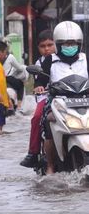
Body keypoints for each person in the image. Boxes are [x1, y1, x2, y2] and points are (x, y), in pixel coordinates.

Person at [35, 21, 87, 174]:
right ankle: (50, 165)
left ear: (80, 43)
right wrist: (39, 86)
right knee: (48, 121)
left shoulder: (85, 59)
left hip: (85, 101)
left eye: (73, 43)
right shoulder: (50, 60)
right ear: (58, 44)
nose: (69, 46)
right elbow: (41, 80)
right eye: (65, 43)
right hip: (58, 102)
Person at [20, 30, 55, 168]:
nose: (47, 49)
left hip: (67, 97)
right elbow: (39, 82)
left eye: (50, 45)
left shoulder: (66, 60)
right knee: (37, 117)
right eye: (43, 46)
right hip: (46, 98)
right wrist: (39, 87)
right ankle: (33, 152)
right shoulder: (39, 64)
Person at [0, 37, 27, 112]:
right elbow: (20, 68)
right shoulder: (10, 57)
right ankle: (19, 105)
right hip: (8, 78)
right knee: (21, 85)